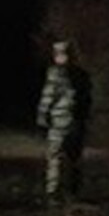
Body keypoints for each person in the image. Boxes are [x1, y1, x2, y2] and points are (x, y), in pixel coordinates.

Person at [36, 40, 92, 204]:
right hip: (76, 122)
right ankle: (73, 192)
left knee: (55, 157)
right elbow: (88, 100)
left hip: (59, 121)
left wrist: (42, 115)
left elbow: (48, 97)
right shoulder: (82, 75)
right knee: (74, 158)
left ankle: (53, 192)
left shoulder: (55, 74)